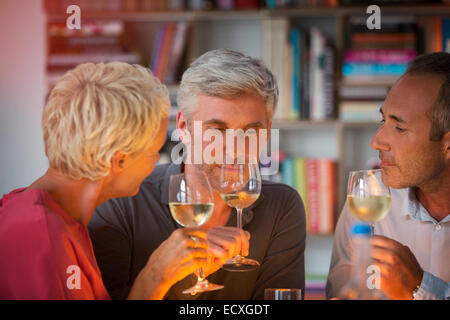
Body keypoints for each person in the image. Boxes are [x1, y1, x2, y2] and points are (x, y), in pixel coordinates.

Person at [88, 49, 306, 300]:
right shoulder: (123, 201)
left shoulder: (282, 208)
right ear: (183, 127)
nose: (234, 150)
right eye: (217, 130)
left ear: (266, 133)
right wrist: (157, 274)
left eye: (250, 132)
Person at [0, 62, 213, 299]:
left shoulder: (58, 217)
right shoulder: (43, 238)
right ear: (118, 161)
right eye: (154, 151)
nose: (157, 160)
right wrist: (155, 275)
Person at [327, 52, 450, 300]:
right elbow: (342, 294)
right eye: (383, 120)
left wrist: (419, 287)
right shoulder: (367, 199)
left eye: (400, 128)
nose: (376, 141)